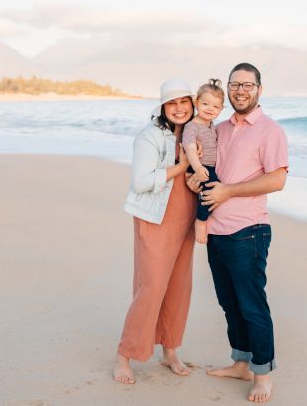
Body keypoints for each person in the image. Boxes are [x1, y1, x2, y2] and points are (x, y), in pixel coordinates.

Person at [190, 63, 288, 403]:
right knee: (229, 303)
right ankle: (241, 363)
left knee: (251, 305)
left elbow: (277, 180)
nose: (240, 90)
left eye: (247, 84)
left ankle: (262, 375)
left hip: (249, 231)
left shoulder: (269, 130)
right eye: (235, 85)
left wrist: (228, 191)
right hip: (216, 231)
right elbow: (210, 172)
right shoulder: (220, 129)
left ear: (260, 89)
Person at [114, 78, 197, 385]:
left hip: (185, 219)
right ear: (163, 107)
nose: (179, 108)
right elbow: (141, 182)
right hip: (154, 218)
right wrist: (181, 165)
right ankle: (125, 355)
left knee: (179, 288)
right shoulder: (150, 136)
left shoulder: (193, 134)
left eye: (183, 102)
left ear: (191, 104)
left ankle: (170, 351)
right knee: (150, 288)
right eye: (172, 103)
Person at [181, 79, 226, 244]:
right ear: (196, 102)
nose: (210, 109)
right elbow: (190, 147)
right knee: (212, 190)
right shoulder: (192, 126)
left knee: (212, 192)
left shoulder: (211, 124)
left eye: (216, 106)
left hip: (206, 167)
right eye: (206, 103)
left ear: (221, 109)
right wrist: (198, 167)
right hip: (199, 167)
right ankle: (200, 221)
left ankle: (206, 216)